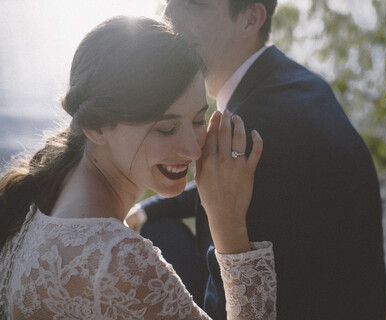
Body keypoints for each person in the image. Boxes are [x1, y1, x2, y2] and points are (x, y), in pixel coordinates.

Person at [0, 16, 277, 319]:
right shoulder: (120, 262)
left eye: (199, 120)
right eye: (166, 129)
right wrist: (230, 227)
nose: (193, 148)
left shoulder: (39, 197)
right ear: (97, 126)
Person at [131, 0, 386, 319]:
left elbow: (230, 308)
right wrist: (148, 208)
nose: (168, 15)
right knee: (155, 224)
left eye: (193, 3)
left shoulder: (249, 132)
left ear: (250, 19)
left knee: (151, 244)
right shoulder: (297, 83)